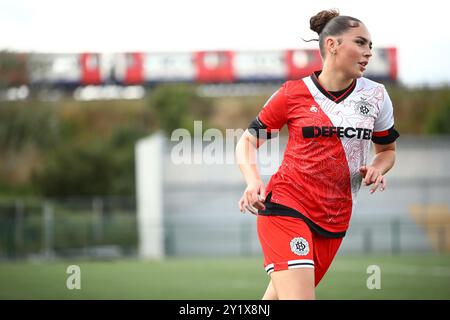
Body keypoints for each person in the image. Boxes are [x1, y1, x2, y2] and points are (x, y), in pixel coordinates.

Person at [235, 9, 399, 300]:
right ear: (332, 45)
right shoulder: (292, 93)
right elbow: (247, 141)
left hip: (334, 220)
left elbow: (387, 151)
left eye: (370, 45)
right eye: (360, 43)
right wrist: (252, 181)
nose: (369, 52)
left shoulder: (376, 96)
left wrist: (377, 167)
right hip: (286, 207)